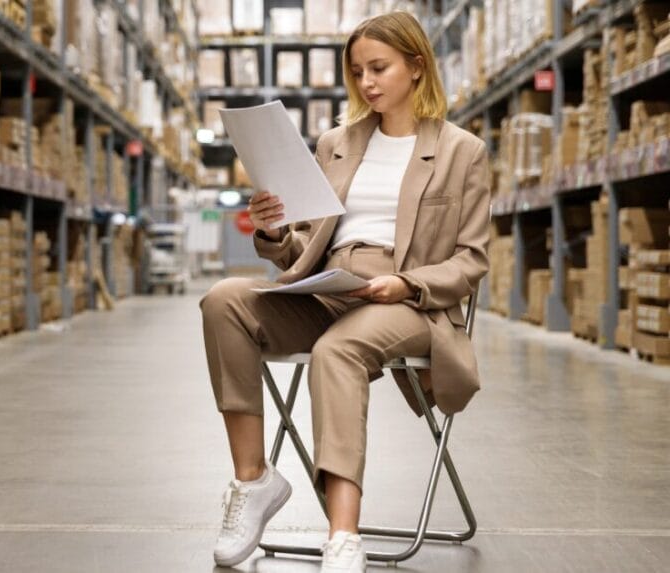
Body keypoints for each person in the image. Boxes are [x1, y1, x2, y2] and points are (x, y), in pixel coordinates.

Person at [200, 11, 490, 573]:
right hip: (330, 285)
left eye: (378, 68)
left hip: (407, 300)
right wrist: (273, 230)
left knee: (337, 352)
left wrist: (405, 281)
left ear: (416, 65)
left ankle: (342, 535)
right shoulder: (336, 142)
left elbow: (472, 259)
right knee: (223, 301)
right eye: (356, 72)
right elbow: (303, 243)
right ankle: (253, 480)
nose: (367, 83)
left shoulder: (461, 151)